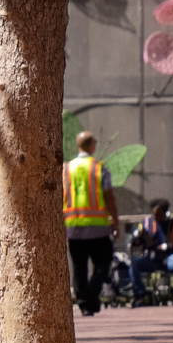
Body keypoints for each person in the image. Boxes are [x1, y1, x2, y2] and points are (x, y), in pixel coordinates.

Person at [62, 129, 118, 316]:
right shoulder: (99, 167)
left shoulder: (66, 168)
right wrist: (115, 221)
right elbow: (109, 197)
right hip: (98, 228)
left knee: (79, 268)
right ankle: (92, 292)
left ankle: (85, 304)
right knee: (104, 263)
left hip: (74, 228)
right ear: (90, 145)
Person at [127, 200, 173, 303]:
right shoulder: (147, 223)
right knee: (134, 263)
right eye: (155, 213)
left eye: (159, 213)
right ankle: (140, 294)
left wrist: (167, 246)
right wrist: (137, 238)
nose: (156, 216)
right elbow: (134, 239)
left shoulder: (172, 223)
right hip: (152, 259)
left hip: (168, 258)